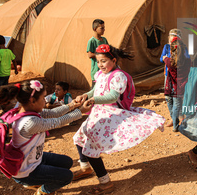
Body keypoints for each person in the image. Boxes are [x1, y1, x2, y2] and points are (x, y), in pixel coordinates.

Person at [72, 44, 165, 194]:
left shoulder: (118, 76)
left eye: (103, 61)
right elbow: (95, 90)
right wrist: (86, 95)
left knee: (91, 147)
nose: (100, 65)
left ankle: (105, 183)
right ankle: (85, 168)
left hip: (109, 114)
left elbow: (113, 96)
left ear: (113, 60)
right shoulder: (101, 75)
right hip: (97, 113)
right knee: (78, 138)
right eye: (98, 61)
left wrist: (94, 100)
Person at [0, 80, 92, 195]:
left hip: (33, 159)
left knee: (67, 162)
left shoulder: (25, 111)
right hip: (25, 171)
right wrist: (80, 111)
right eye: (43, 99)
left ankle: (38, 180)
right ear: (32, 101)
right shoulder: (30, 122)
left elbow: (53, 113)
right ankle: (42, 191)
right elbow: (58, 121)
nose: (45, 101)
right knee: (67, 176)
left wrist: (72, 105)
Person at [160, 28, 189, 127]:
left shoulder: (183, 48)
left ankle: (180, 118)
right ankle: (174, 118)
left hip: (178, 77)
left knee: (178, 99)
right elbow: (161, 58)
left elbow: (186, 58)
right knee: (169, 98)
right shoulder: (167, 47)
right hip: (168, 76)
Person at [87, 19, 109, 89]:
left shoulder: (104, 40)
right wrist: (101, 55)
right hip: (96, 69)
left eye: (104, 28)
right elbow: (90, 55)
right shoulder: (92, 41)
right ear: (95, 29)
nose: (104, 30)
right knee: (95, 89)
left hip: (105, 68)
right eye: (101, 28)